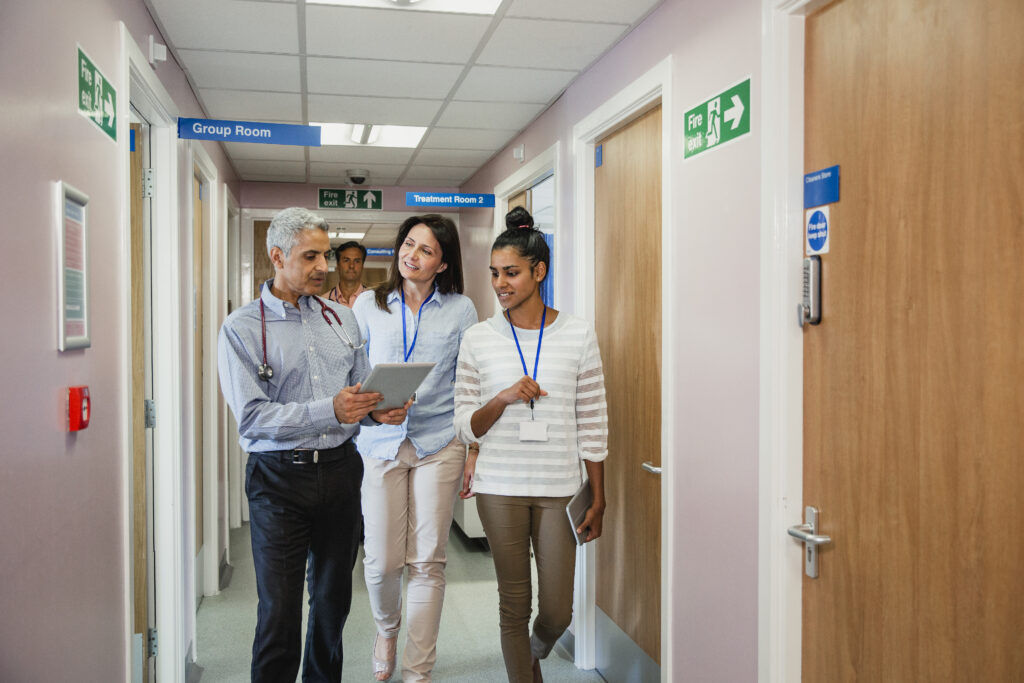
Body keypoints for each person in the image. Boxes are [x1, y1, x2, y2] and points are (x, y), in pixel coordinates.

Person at [217, 207, 409, 683]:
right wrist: (332, 409)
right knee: (279, 612)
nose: (324, 266)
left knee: (332, 605)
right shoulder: (241, 329)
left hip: (341, 472)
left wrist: (375, 410)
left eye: (326, 254)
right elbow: (253, 417)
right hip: (278, 481)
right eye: (311, 256)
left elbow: (357, 396)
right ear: (277, 257)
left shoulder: (343, 320)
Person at [454, 221, 608, 683]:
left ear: (539, 271)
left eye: (512, 273)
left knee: (558, 609)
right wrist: (501, 398)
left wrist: (598, 497)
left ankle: (532, 652)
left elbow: (594, 421)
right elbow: (465, 425)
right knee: (513, 604)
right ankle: (524, 673)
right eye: (495, 273)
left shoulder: (578, 334)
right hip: (499, 486)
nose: (500, 284)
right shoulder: (478, 339)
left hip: (560, 487)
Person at [351, 214, 478, 682]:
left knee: (428, 560)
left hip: (438, 441)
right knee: (383, 562)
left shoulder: (461, 309)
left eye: (426, 250)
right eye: (409, 245)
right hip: (380, 442)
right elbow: (351, 372)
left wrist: (473, 449)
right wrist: (369, 410)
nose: (413, 256)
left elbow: (468, 383)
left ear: (443, 263)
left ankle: (417, 670)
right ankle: (387, 629)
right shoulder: (368, 304)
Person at [326, 240, 367, 307]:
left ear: (362, 265)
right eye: (346, 260)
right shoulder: (324, 301)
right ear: (338, 265)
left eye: (357, 261)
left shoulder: (375, 301)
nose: (351, 266)